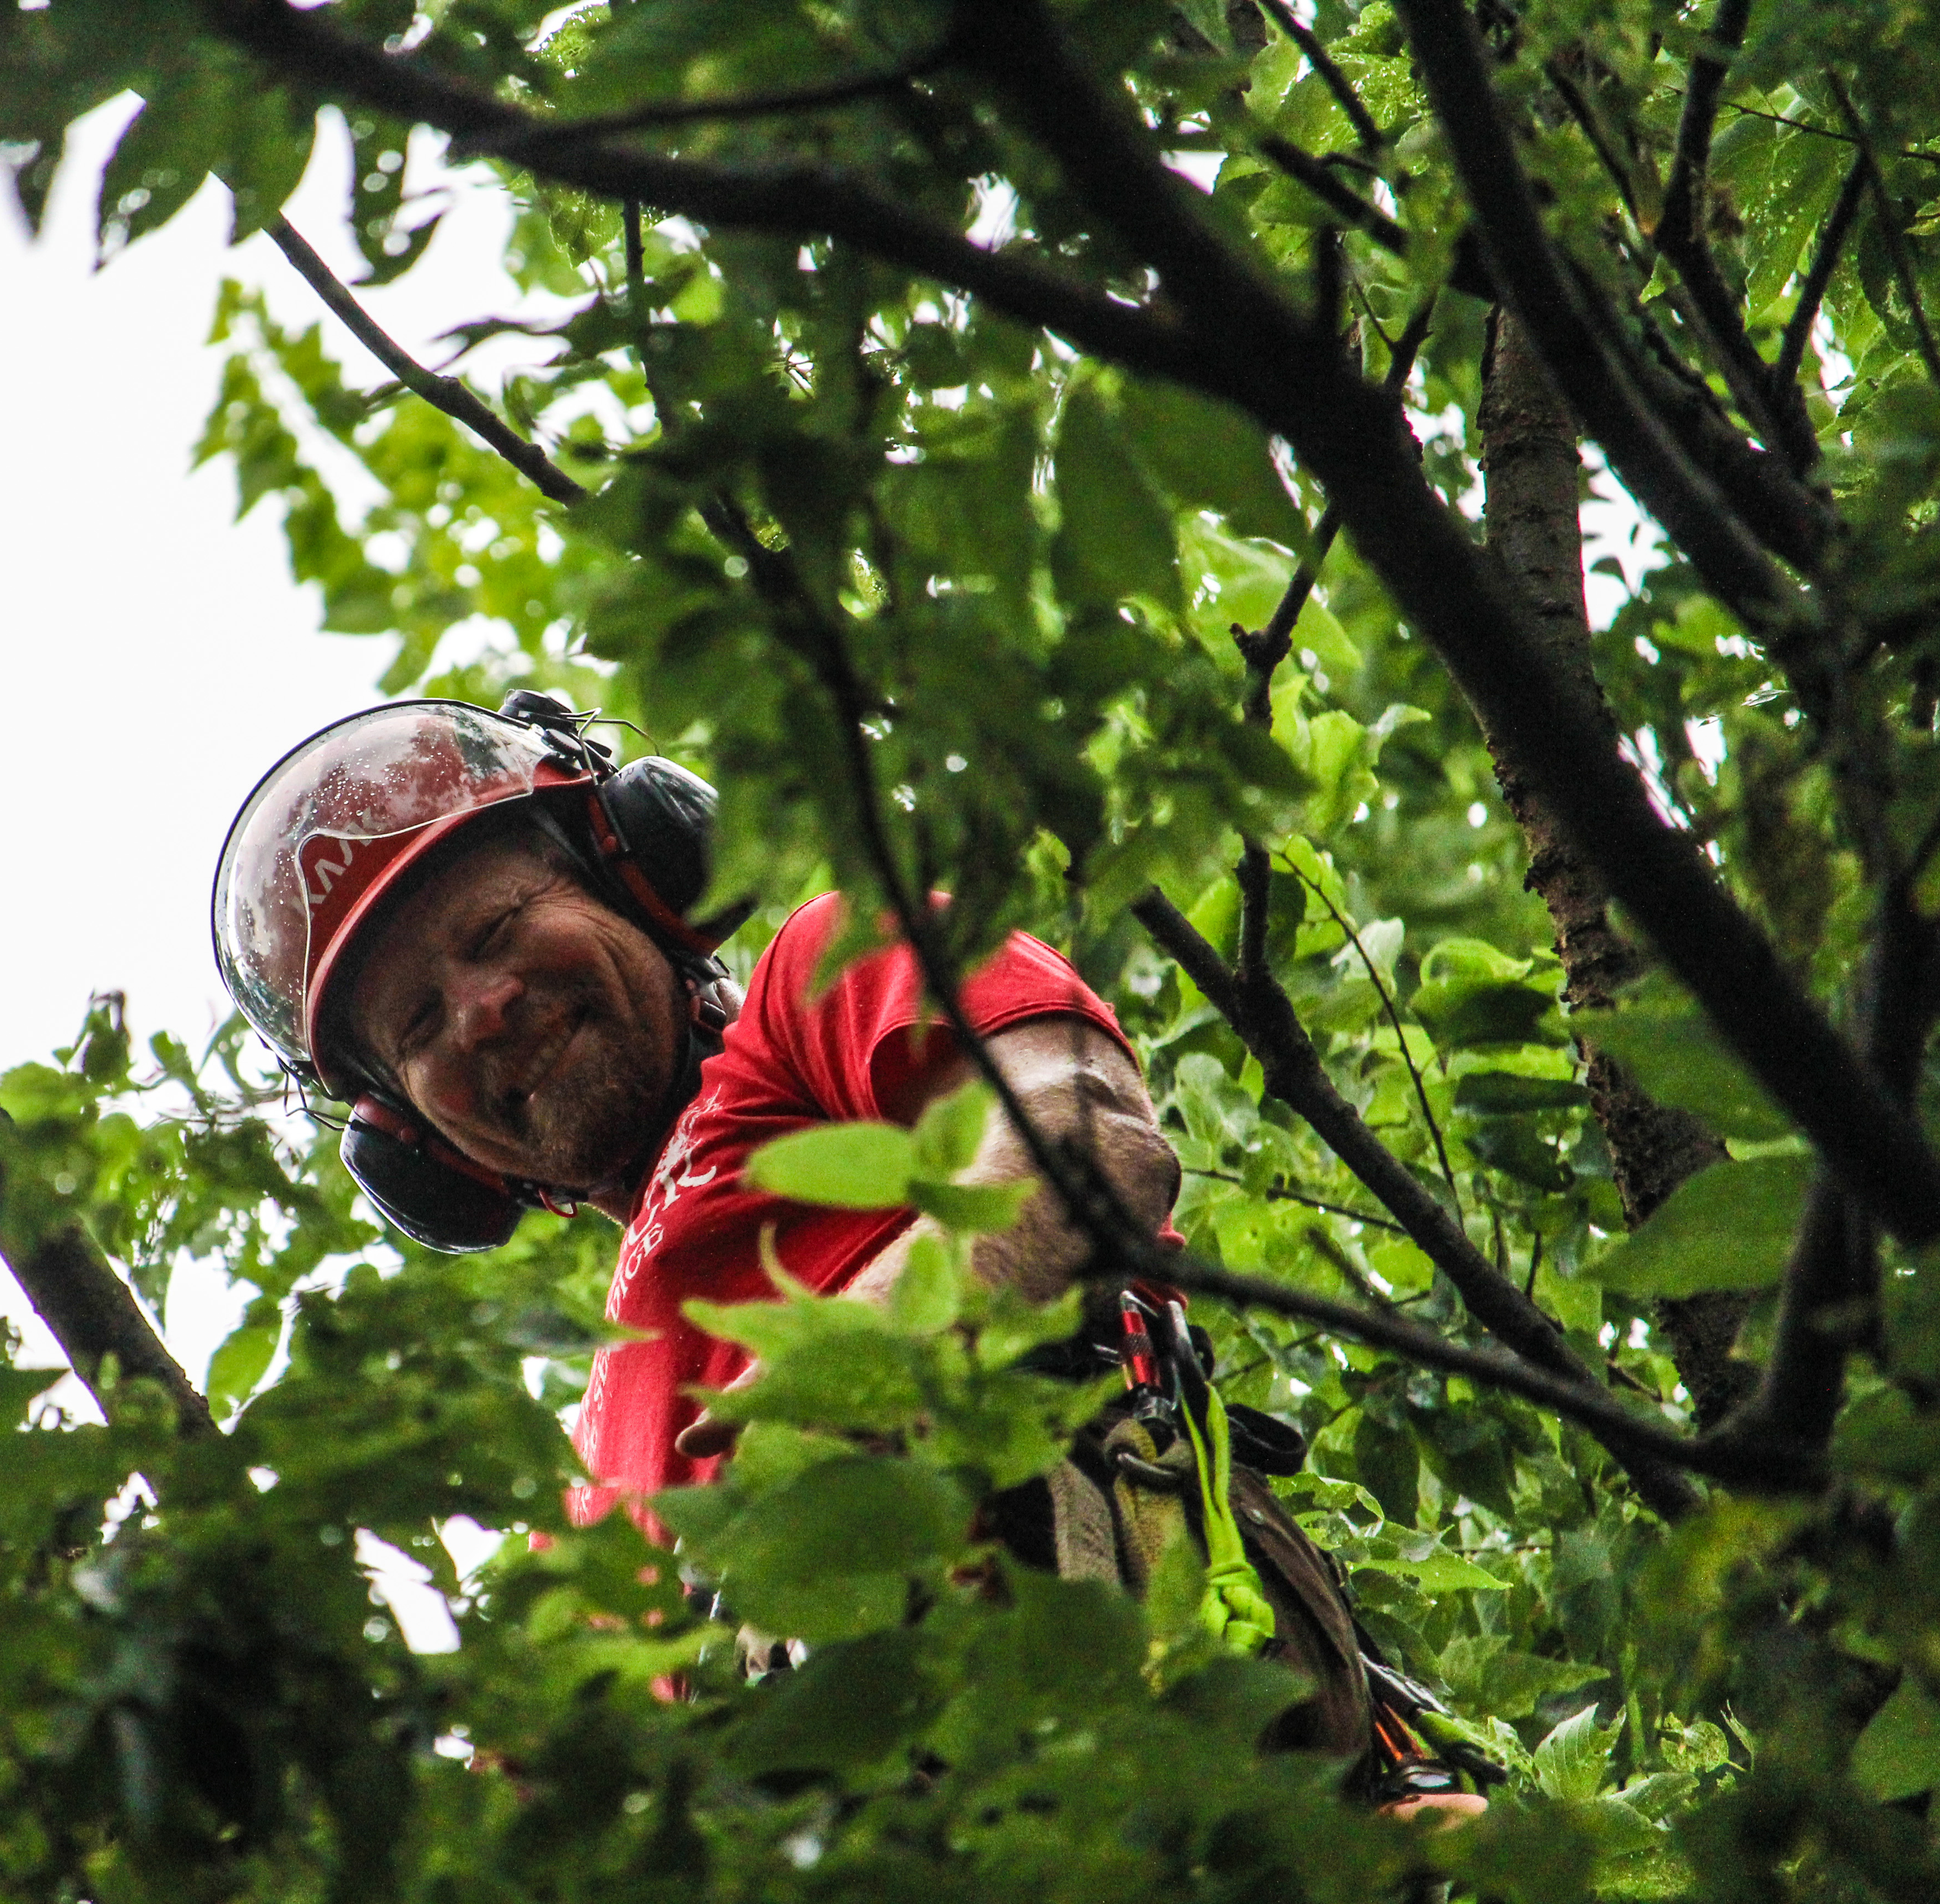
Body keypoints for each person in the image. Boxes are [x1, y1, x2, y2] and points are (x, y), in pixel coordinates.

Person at [212, 693, 1490, 1817]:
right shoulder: (586, 1500)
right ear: (418, 1145)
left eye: (495, 932)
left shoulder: (819, 983)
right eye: (421, 1021)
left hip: (1100, 1695)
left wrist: (863, 1373)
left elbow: (1080, 1143)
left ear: (637, 874)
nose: (482, 1008)